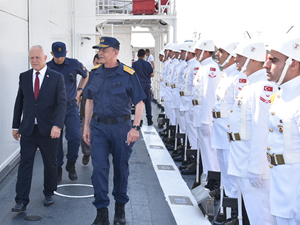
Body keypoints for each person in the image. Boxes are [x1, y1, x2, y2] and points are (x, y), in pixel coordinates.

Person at [83, 37, 146, 225]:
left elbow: (140, 102)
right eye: (99, 50)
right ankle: (101, 212)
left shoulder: (128, 73)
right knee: (99, 169)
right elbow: (89, 101)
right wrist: (86, 126)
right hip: (99, 127)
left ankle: (120, 209)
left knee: (121, 168)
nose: (100, 53)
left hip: (121, 127)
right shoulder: (94, 73)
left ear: (115, 53)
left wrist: (135, 127)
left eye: (104, 50)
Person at [227, 40, 277, 224]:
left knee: (262, 217)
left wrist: (256, 168)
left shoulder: (263, 87)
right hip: (243, 161)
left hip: (254, 167)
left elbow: (261, 129)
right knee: (253, 214)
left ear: (253, 59)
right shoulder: (251, 86)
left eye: (239, 56)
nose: (236, 60)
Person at [11, 45, 67, 212]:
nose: (34, 61)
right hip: (28, 129)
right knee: (25, 165)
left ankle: (49, 192)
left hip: (49, 130)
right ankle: (21, 201)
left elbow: (62, 103)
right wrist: (15, 126)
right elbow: (19, 102)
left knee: (50, 163)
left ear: (44, 58)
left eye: (37, 57)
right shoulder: (24, 76)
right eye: (31, 58)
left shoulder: (57, 77)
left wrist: (57, 125)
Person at [264, 35, 300, 225]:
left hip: (294, 198)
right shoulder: (281, 95)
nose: (266, 65)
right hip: (281, 191)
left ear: (293, 64)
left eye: (273, 60)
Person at [47, 41, 88, 182]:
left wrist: (80, 91)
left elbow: (86, 75)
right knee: (55, 139)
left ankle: (71, 164)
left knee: (75, 136)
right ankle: (58, 168)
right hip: (54, 108)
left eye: (62, 55)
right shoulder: (47, 67)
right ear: (52, 54)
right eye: (56, 56)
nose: (59, 59)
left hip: (70, 106)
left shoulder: (74, 64)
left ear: (66, 52)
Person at [79, 54, 101, 165]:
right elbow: (79, 92)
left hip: (101, 112)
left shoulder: (105, 75)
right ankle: (86, 153)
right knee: (84, 132)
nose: (98, 65)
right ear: (93, 63)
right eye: (97, 63)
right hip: (86, 110)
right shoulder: (87, 75)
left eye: (100, 63)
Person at [132, 49, 154, 125]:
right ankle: (149, 119)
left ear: (137, 55)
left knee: (138, 103)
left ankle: (139, 121)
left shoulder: (135, 64)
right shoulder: (148, 64)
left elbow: (132, 74)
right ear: (144, 55)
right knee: (148, 103)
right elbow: (152, 74)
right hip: (147, 84)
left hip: (138, 85)